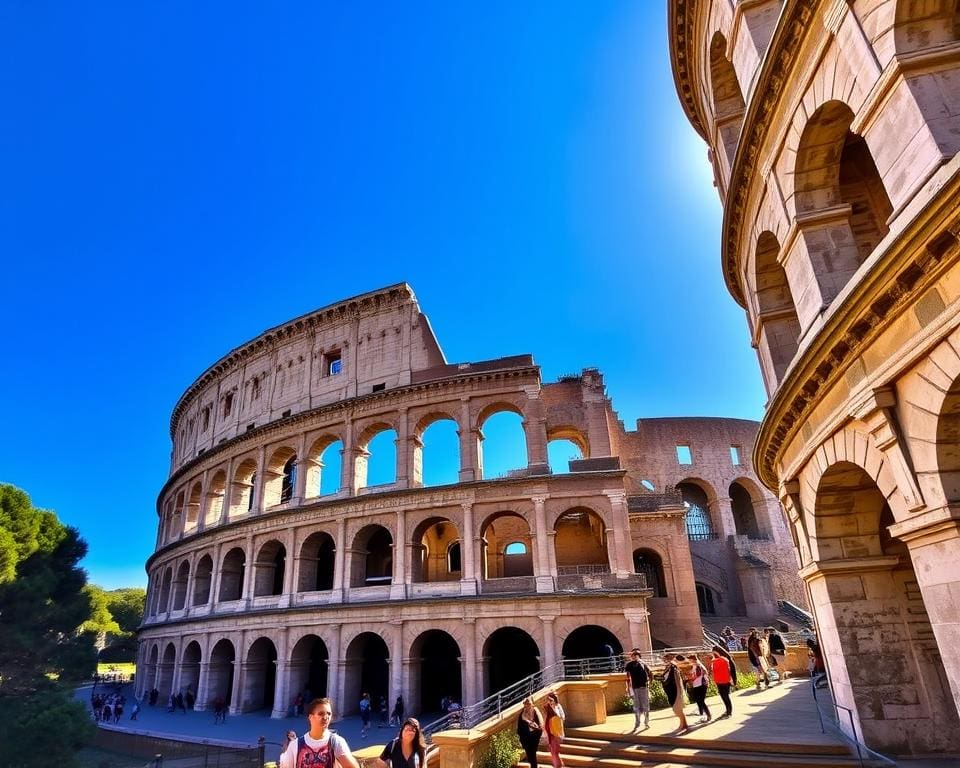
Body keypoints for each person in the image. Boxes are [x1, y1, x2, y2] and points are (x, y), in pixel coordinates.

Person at [280, 697, 360, 768]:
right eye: (321, 714)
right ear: (311, 717)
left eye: (329, 714)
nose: (326, 717)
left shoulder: (337, 742)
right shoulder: (295, 745)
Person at [623, 648, 650, 731]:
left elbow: (650, 673)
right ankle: (637, 722)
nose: (634, 657)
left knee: (645, 705)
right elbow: (628, 677)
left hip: (643, 687)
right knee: (636, 706)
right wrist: (627, 688)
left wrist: (649, 683)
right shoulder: (629, 665)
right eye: (633, 656)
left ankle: (646, 722)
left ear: (639, 656)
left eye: (636, 656)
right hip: (634, 687)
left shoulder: (643, 664)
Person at [660, 654, 688, 734]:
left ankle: (683, 724)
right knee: (677, 708)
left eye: (665, 659)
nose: (664, 661)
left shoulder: (673, 667)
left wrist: (679, 691)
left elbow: (677, 680)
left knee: (677, 709)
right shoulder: (668, 667)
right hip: (671, 690)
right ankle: (683, 724)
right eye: (664, 660)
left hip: (674, 690)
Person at [516, 696, 544, 768]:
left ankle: (534, 766)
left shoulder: (535, 711)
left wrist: (537, 731)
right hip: (526, 738)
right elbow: (520, 728)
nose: (527, 705)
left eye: (528, 704)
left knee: (532, 752)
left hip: (535, 736)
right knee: (529, 753)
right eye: (526, 704)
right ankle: (534, 766)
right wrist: (521, 738)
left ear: (532, 704)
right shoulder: (522, 714)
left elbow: (540, 725)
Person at [710, 645, 735, 718]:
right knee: (723, 696)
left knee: (726, 696)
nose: (713, 654)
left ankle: (729, 712)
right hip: (718, 681)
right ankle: (727, 710)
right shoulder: (714, 661)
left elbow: (723, 660)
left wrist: (717, 653)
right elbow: (714, 670)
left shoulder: (724, 659)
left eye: (714, 653)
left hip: (725, 681)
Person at [543, 691, 565, 768]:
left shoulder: (558, 707)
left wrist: (553, 708)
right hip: (551, 732)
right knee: (553, 752)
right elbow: (545, 720)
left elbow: (562, 717)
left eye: (551, 699)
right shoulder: (547, 708)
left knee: (555, 752)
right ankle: (558, 765)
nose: (550, 701)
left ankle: (558, 766)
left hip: (558, 732)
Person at [687, 655, 711, 723]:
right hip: (697, 685)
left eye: (690, 660)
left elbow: (698, 675)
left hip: (701, 685)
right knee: (699, 701)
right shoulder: (695, 665)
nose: (689, 661)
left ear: (693, 659)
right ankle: (703, 714)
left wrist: (690, 679)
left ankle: (708, 716)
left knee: (701, 701)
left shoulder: (698, 665)